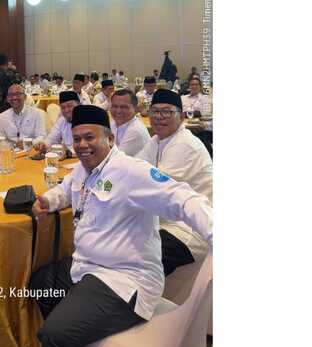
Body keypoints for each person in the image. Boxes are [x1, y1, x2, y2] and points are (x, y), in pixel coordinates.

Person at [29, 105, 212, 347]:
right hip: (87, 267)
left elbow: (182, 198)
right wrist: (49, 200)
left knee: (53, 335)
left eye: (90, 137)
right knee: (39, 284)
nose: (82, 145)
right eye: (77, 139)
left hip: (124, 280)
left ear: (110, 139)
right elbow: (66, 188)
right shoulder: (84, 168)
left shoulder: (131, 172)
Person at [136, 89, 213, 276]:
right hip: (165, 220)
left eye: (167, 112)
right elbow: (134, 167)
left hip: (190, 228)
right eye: (155, 111)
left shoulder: (185, 143)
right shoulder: (157, 140)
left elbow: (155, 189)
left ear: (181, 116)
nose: (159, 117)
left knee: (135, 260)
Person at [109, 89, 150, 156]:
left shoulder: (136, 131)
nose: (118, 111)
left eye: (124, 107)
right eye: (115, 106)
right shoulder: (113, 123)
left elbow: (116, 157)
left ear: (135, 108)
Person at [0, 53, 17, 119]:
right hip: (7, 104)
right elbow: (18, 80)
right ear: (7, 63)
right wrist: (13, 70)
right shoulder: (9, 74)